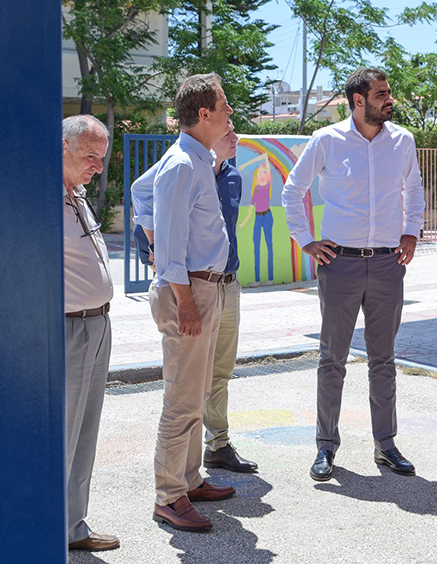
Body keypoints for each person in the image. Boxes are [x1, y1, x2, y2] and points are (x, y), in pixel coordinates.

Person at [282, 67, 425, 481]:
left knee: (384, 360)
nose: (389, 99)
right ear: (358, 101)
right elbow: (293, 190)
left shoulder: (402, 141)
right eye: (381, 94)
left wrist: (412, 231)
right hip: (339, 264)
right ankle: (326, 446)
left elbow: (414, 190)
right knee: (332, 359)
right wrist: (306, 240)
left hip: (387, 264)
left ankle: (386, 445)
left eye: (388, 92)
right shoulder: (327, 140)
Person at [130, 125, 259, 474]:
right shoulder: (184, 164)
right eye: (228, 131)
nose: (235, 137)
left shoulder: (233, 177)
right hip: (193, 286)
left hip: (226, 283)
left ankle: (216, 445)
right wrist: (153, 245)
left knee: (219, 372)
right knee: (186, 389)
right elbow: (141, 191)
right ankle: (176, 483)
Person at [147, 74, 236, 533]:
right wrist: (185, 302)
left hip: (205, 288)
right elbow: (169, 246)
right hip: (190, 292)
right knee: (182, 399)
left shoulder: (198, 159)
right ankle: (169, 496)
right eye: (224, 105)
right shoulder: (182, 164)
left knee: (196, 394)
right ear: (203, 114)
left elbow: (141, 194)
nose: (230, 113)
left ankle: (189, 479)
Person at [61, 115, 119, 552]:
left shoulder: (76, 196)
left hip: (97, 324)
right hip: (69, 328)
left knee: (85, 432)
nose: (97, 166)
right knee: (63, 434)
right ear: (62, 147)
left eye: (101, 157)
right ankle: (49, 531)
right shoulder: (40, 200)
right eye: (89, 156)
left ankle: (72, 526)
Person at [237, 153, 275, 284]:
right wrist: (244, 222)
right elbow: (251, 207)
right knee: (256, 248)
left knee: (269, 246)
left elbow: (267, 163)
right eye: (260, 172)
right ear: (256, 175)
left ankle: (270, 278)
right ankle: (257, 280)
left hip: (268, 216)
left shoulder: (268, 186)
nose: (262, 174)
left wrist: (264, 158)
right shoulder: (256, 189)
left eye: (264, 172)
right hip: (258, 218)